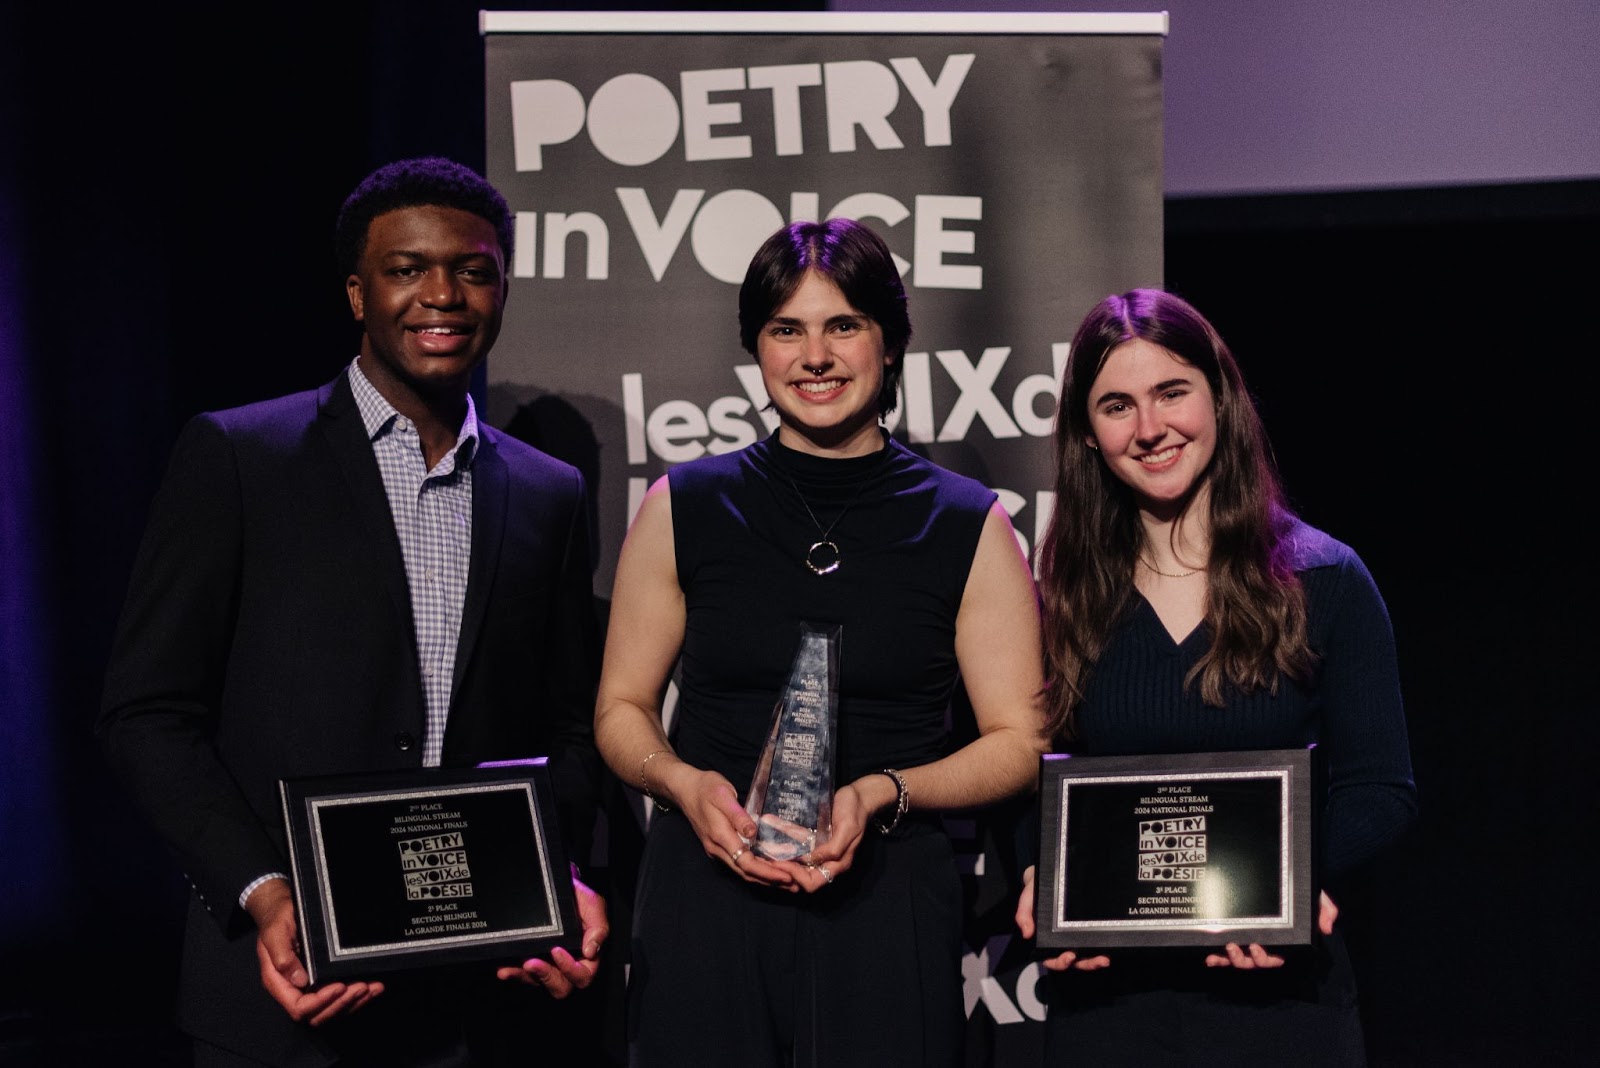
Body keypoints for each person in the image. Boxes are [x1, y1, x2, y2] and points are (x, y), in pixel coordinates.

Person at [97, 157, 609, 1068]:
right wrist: (263, 892)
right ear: (356, 292)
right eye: (406, 268)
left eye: (473, 269)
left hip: (479, 1000)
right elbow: (148, 715)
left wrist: (555, 879)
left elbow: (566, 731)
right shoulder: (242, 456)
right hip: (287, 996)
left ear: (502, 288)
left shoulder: (548, 493)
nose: (442, 294)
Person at [592, 218, 1049, 1067]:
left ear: (890, 340)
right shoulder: (682, 506)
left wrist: (880, 793)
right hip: (707, 884)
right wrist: (686, 787)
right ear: (756, 349)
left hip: (885, 894)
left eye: (844, 325)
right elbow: (620, 708)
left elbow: (1020, 743)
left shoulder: (966, 524)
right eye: (786, 329)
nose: (815, 355)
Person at [1013, 288, 1418, 1065]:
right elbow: (1029, 774)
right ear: (1087, 436)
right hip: (1109, 1007)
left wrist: (1285, 888)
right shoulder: (1060, 597)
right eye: (1116, 406)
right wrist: (1043, 876)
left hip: (1282, 1004)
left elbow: (1381, 789)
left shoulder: (1326, 578)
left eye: (1172, 393)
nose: (1151, 428)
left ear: (1221, 400)